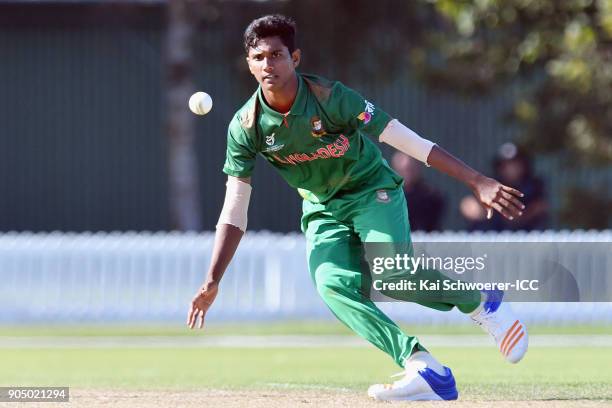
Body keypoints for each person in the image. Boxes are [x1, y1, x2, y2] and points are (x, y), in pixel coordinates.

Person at [187, 15, 528, 401]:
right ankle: (422, 366)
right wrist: (213, 279)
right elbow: (235, 207)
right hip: (323, 209)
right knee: (332, 286)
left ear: (295, 57)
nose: (269, 65)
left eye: (277, 55)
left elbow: (405, 139)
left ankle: (482, 303)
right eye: (259, 57)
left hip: (371, 191)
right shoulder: (245, 126)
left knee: (393, 275)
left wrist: (477, 180)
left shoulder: (332, 97)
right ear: (249, 64)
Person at [460, 143, 548, 232]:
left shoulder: (533, 185)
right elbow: (468, 205)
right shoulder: (492, 184)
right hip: (490, 235)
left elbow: (539, 208)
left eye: (515, 164)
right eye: (505, 165)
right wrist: (479, 209)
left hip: (525, 237)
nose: (511, 168)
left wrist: (516, 216)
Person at [391, 152, 446, 231]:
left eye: (409, 170)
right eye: (402, 170)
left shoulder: (431, 195)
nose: (406, 174)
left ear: (417, 168)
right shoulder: (389, 196)